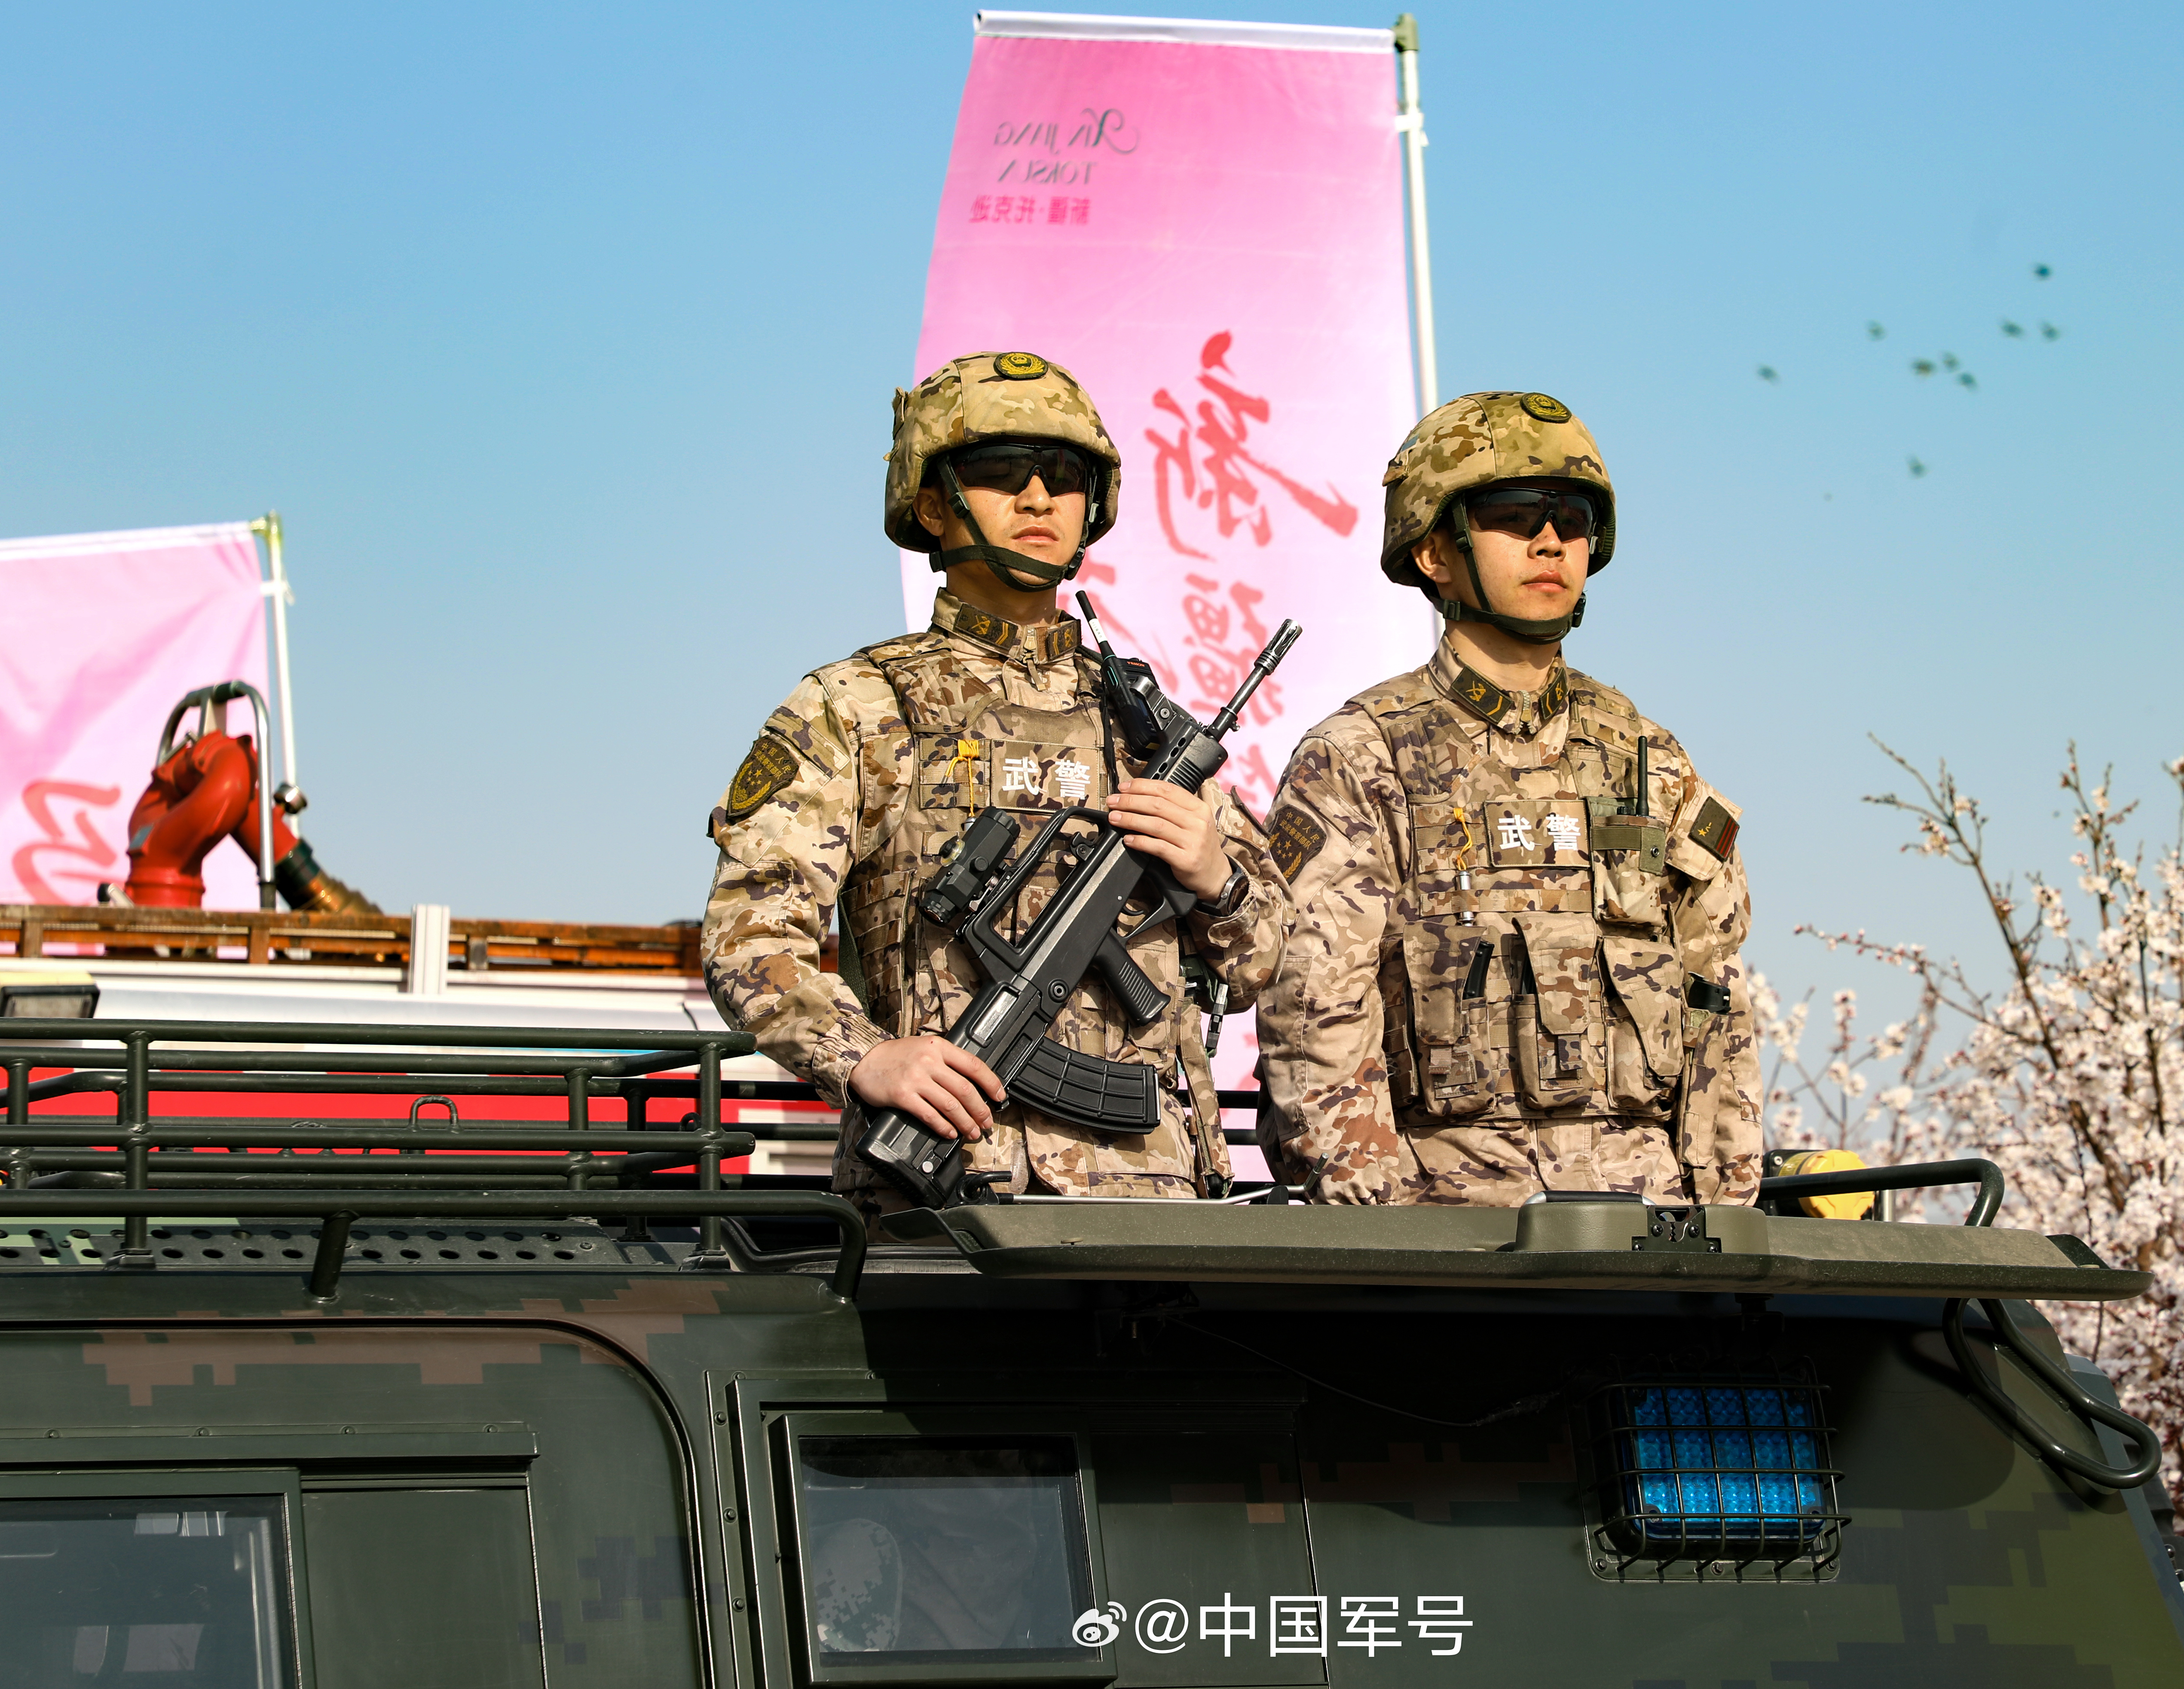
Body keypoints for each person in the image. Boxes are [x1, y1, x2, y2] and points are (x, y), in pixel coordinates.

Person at [701, 351, 1285, 1202]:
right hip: (945, 1191)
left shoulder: (1138, 722)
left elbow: (1273, 958)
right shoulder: (858, 704)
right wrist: (861, 1053)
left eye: (1066, 474)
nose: (1040, 497)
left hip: (1152, 1200)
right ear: (934, 502)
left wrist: (1219, 879)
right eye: (1000, 472)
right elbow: (747, 935)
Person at [1255, 389, 1762, 1205]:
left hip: (1646, 1241)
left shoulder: (1648, 762)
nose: (1552, 539)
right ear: (1435, 553)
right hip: (1454, 1248)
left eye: (1574, 517)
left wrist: (1722, 1221)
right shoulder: (1361, 756)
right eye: (1514, 515)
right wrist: (1388, 1248)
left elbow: (1715, 1000)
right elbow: (1316, 1017)